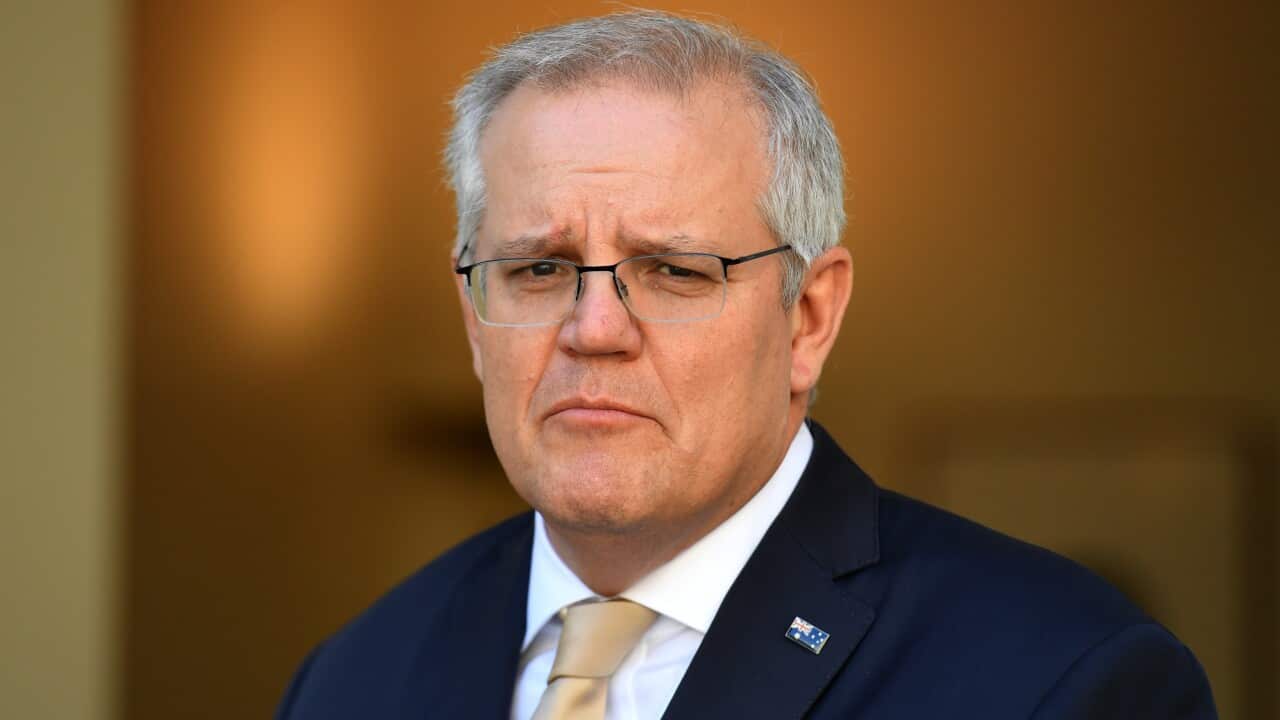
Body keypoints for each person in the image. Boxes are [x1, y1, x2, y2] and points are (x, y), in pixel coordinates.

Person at [276, 10, 1216, 719]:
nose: (594, 326)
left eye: (675, 271)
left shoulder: (1059, 678)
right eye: (538, 269)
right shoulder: (354, 680)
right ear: (474, 315)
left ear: (809, 317)